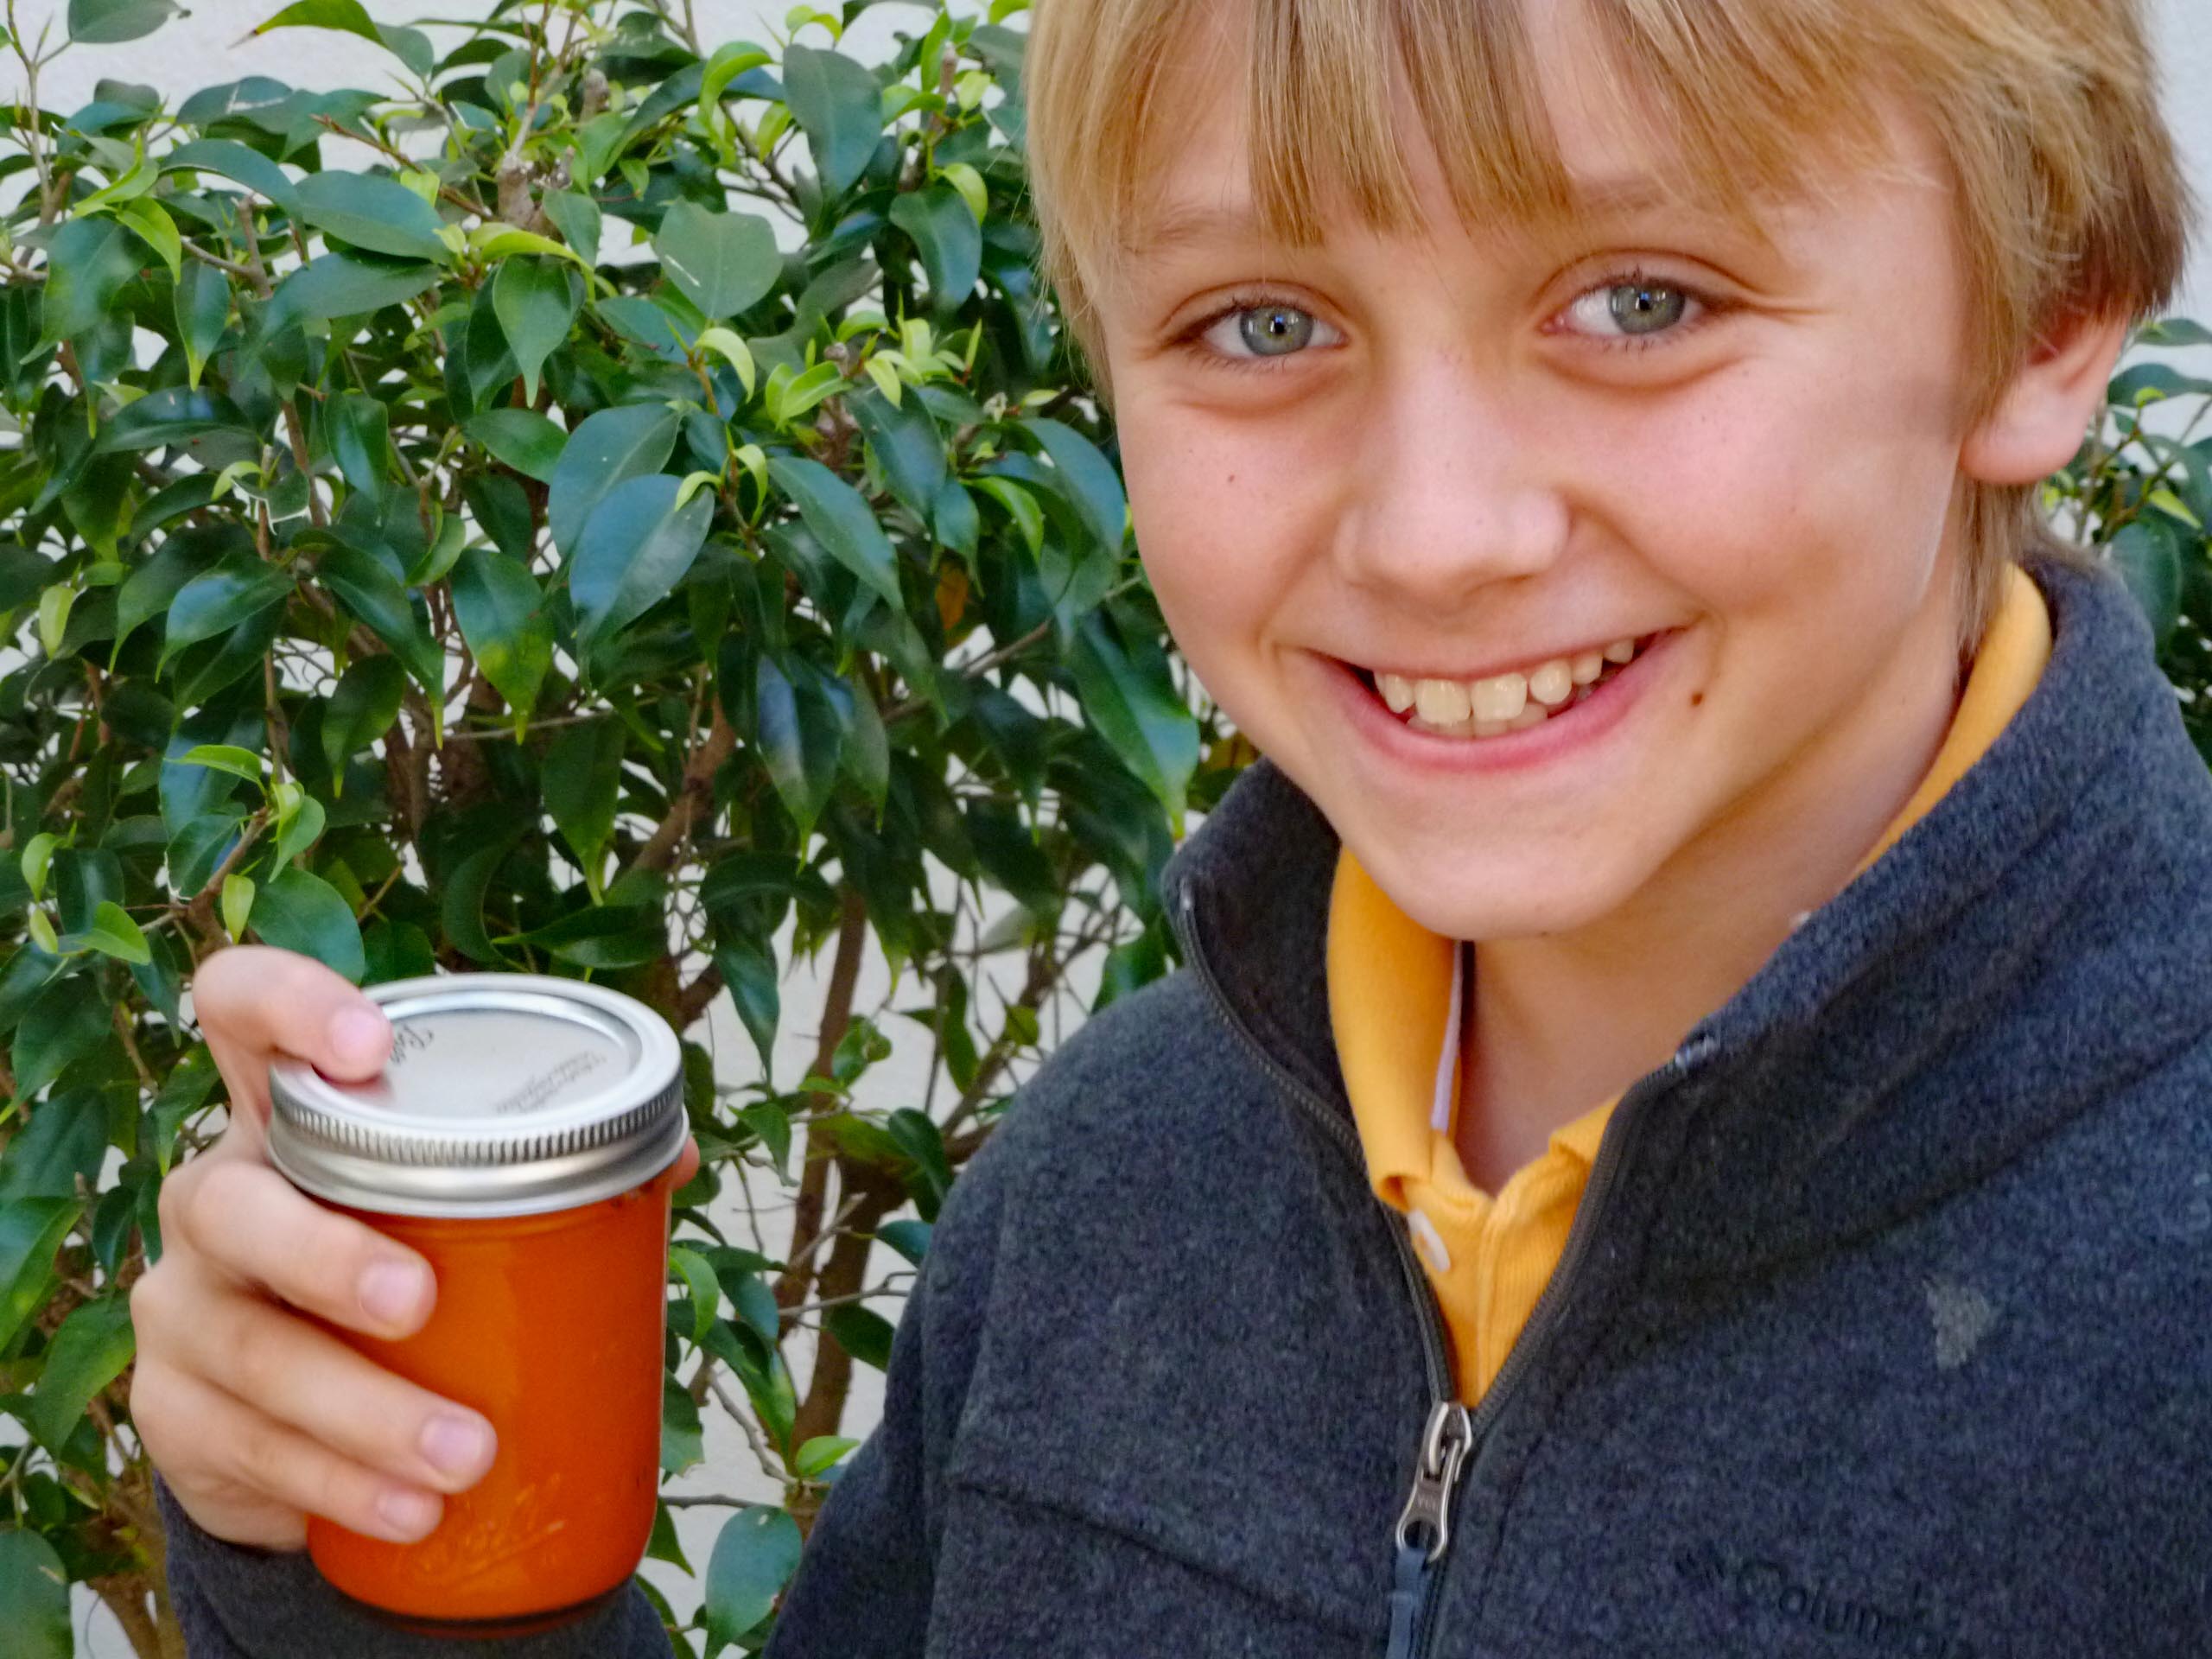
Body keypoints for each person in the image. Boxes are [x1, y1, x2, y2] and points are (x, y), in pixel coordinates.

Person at [136, 0, 2209, 1653]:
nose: (1433, 533)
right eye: (1264, 326)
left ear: (2043, 311)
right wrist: (358, 1555)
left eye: (1642, 302)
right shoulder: (1113, 1182)